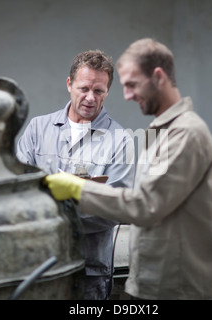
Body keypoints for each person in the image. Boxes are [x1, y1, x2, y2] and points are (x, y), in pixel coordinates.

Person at [43, 38, 212, 300]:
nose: (127, 96)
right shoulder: (158, 132)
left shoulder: (186, 134)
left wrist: (79, 188)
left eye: (132, 85)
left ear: (158, 77)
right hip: (154, 282)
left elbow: (145, 204)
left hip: (179, 288)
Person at [16, 50, 135, 300]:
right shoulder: (38, 129)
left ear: (107, 92)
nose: (91, 98)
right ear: (69, 84)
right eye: (84, 88)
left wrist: (54, 218)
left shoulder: (120, 140)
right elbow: (18, 192)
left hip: (89, 272)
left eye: (99, 91)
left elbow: (114, 208)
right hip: (38, 265)